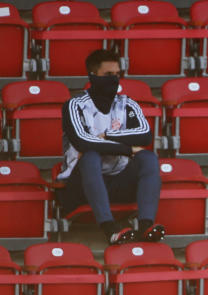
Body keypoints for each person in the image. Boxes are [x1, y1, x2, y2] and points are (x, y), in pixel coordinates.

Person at [57, 49, 164, 246]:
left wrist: (108, 135)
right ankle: (109, 229)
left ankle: (145, 225)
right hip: (80, 186)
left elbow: (145, 135)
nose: (114, 79)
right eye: (108, 75)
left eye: (117, 74)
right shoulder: (74, 105)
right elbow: (83, 142)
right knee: (90, 157)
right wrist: (127, 149)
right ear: (93, 76)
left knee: (148, 158)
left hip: (117, 182)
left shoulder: (127, 104)